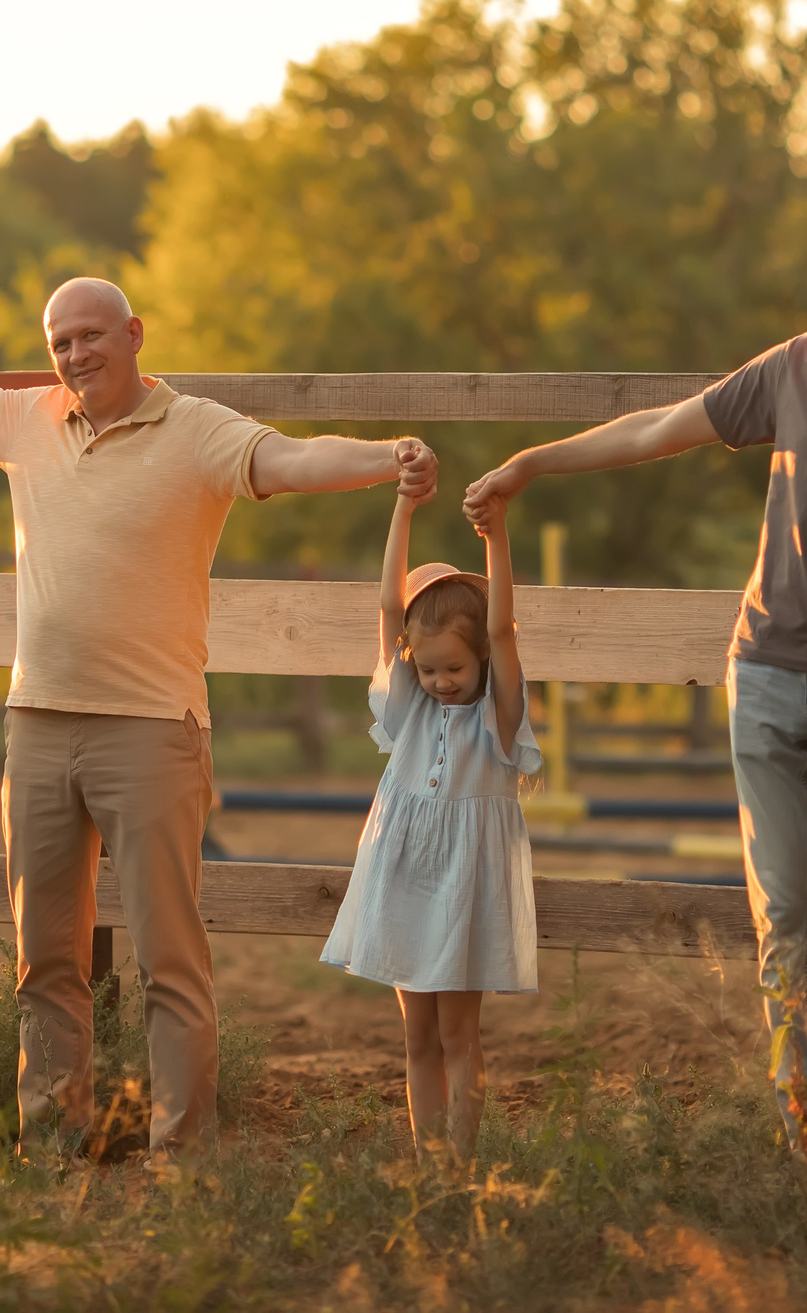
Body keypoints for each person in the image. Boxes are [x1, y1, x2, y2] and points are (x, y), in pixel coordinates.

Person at [0, 234, 437, 1159]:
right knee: (45, 961)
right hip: (38, 723)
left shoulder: (198, 430)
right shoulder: (26, 420)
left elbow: (291, 459)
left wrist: (387, 457)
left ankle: (183, 1159)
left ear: (133, 333)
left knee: (171, 961)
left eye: (90, 335)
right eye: (60, 342)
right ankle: (51, 1151)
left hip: (152, 728)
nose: (75, 354)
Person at [463, 170, 807, 1165]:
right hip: (764, 676)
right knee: (785, 916)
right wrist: (532, 463)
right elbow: (655, 429)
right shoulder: (792, 368)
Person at [319, 474, 538, 1161]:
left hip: (466, 884)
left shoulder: (500, 718)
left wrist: (496, 533)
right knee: (417, 1038)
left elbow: (501, 626)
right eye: (429, 669)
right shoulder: (408, 707)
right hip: (404, 871)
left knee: (457, 1035)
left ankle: (462, 1168)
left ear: (481, 659)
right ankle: (429, 1162)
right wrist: (403, 504)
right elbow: (390, 605)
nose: (442, 681)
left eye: (456, 669)